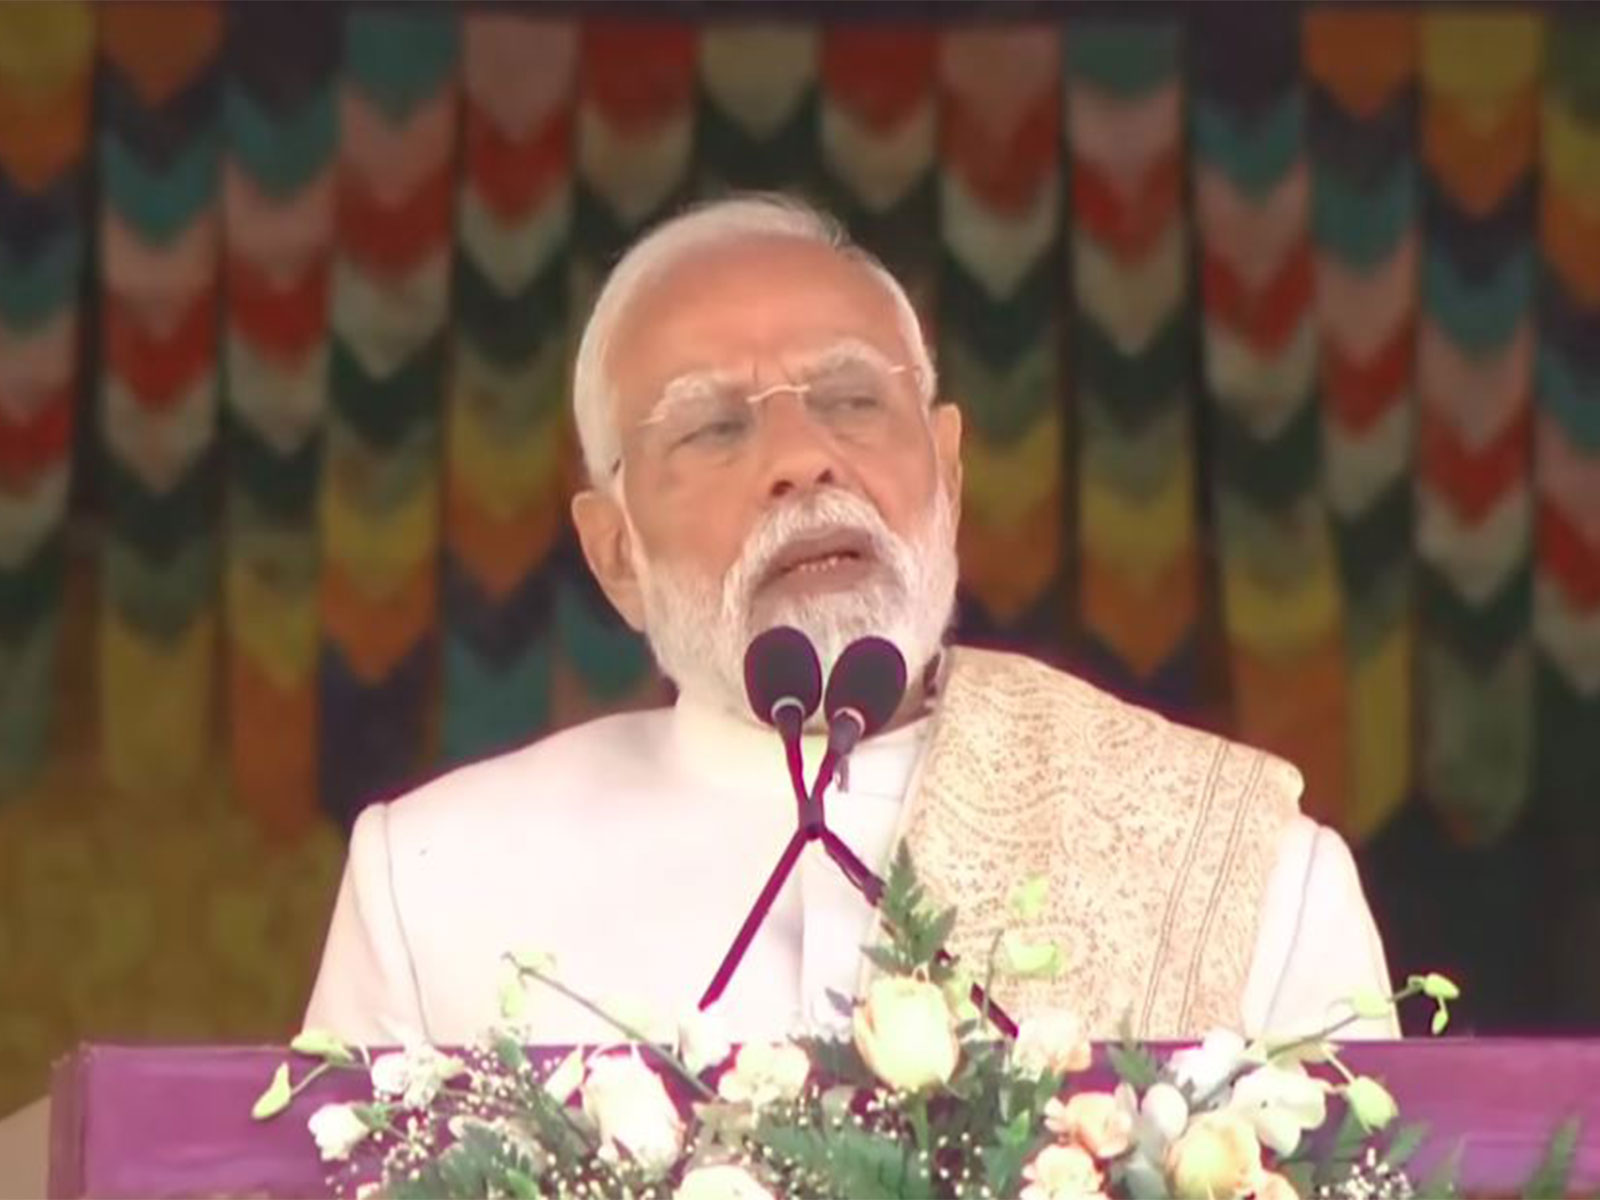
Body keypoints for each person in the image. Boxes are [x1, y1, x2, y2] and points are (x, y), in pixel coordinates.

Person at [304, 193, 1397, 1050]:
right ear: (616, 555)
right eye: (713, 429)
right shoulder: (439, 880)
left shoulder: (1243, 862)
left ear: (951, 473)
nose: (800, 460)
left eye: (852, 400)